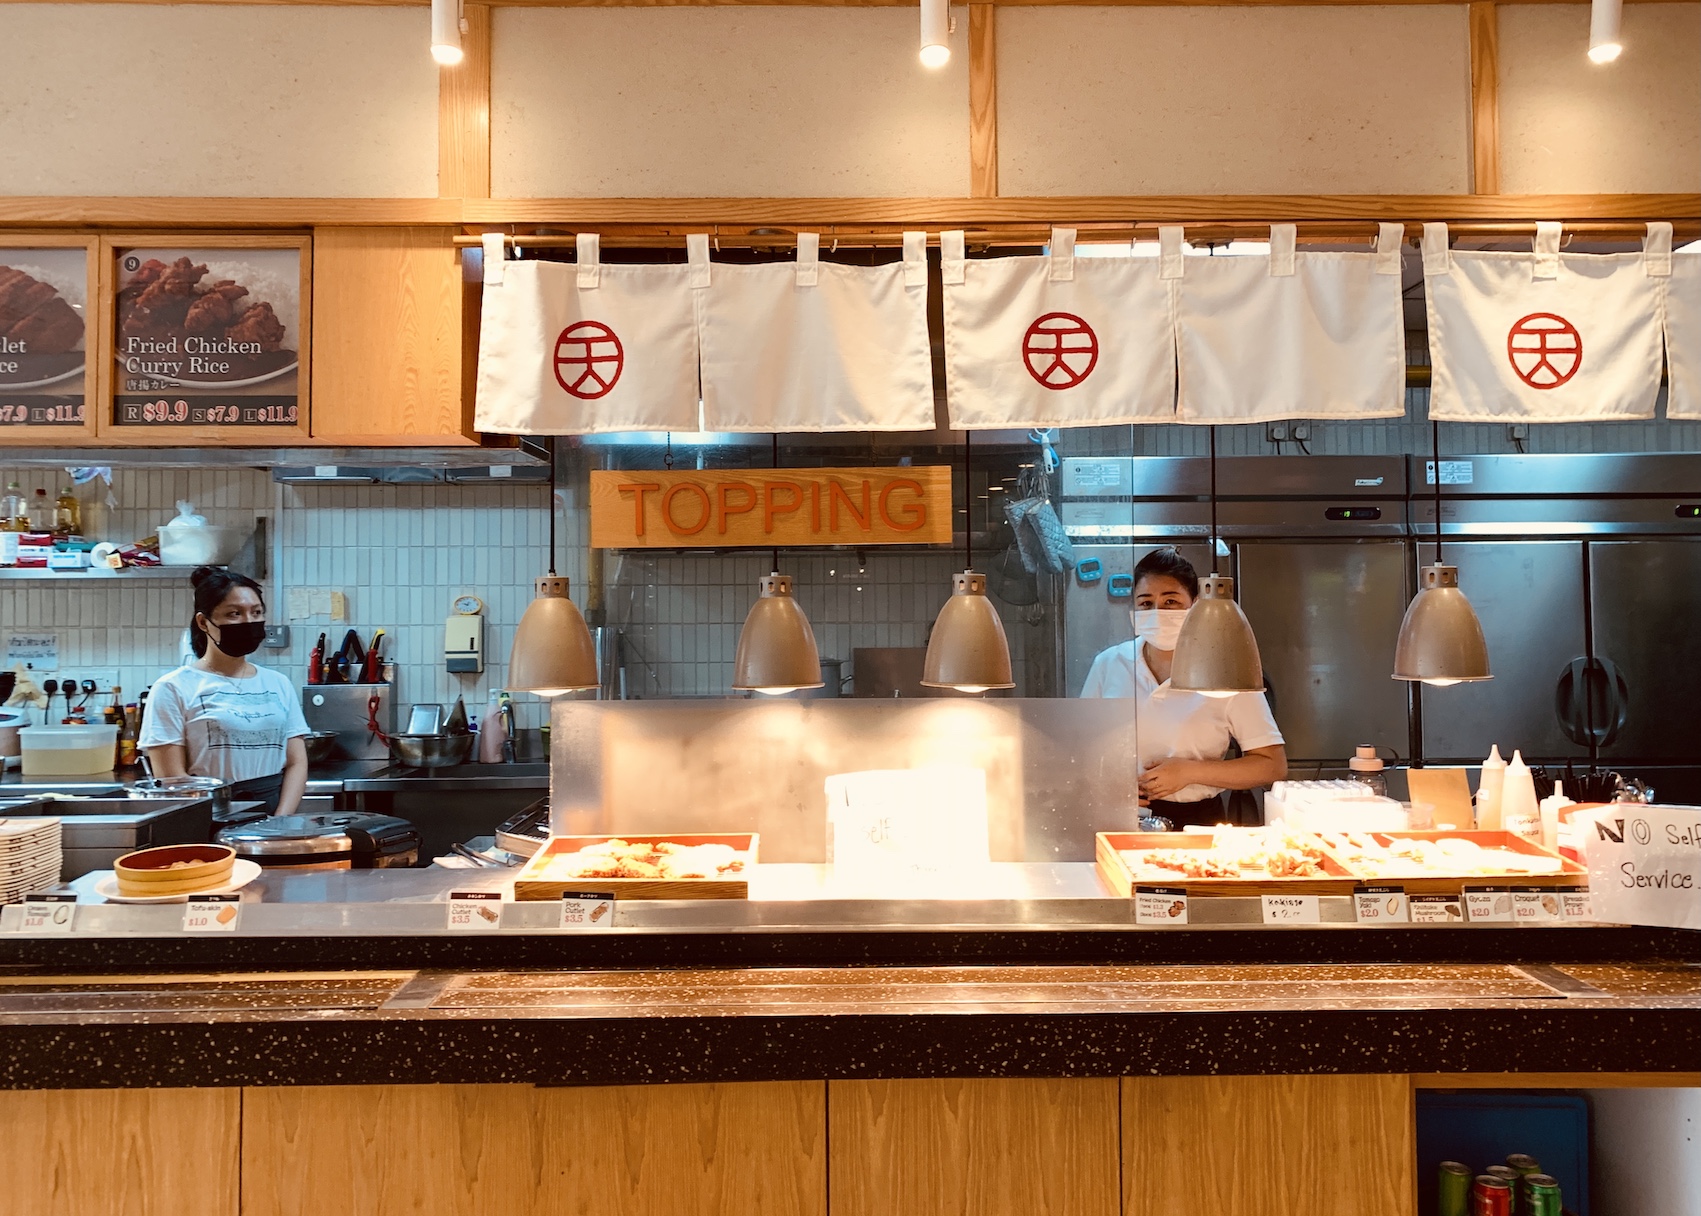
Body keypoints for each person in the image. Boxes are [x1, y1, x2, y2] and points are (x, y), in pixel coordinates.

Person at [1080, 548, 1287, 828]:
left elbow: (1271, 765)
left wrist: (1190, 772)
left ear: (1195, 605)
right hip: (1118, 815)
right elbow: (1082, 748)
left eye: (1171, 601)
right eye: (1145, 603)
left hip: (1199, 819)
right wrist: (1110, 786)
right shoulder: (1109, 664)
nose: (1157, 612)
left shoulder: (1223, 670)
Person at [139, 566, 309, 816]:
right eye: (234, 614)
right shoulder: (173, 688)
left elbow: (296, 762)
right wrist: (218, 820)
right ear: (203, 622)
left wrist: (280, 822)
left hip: (273, 814)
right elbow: (171, 779)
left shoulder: (278, 684)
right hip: (205, 815)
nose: (248, 622)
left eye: (256, 612)